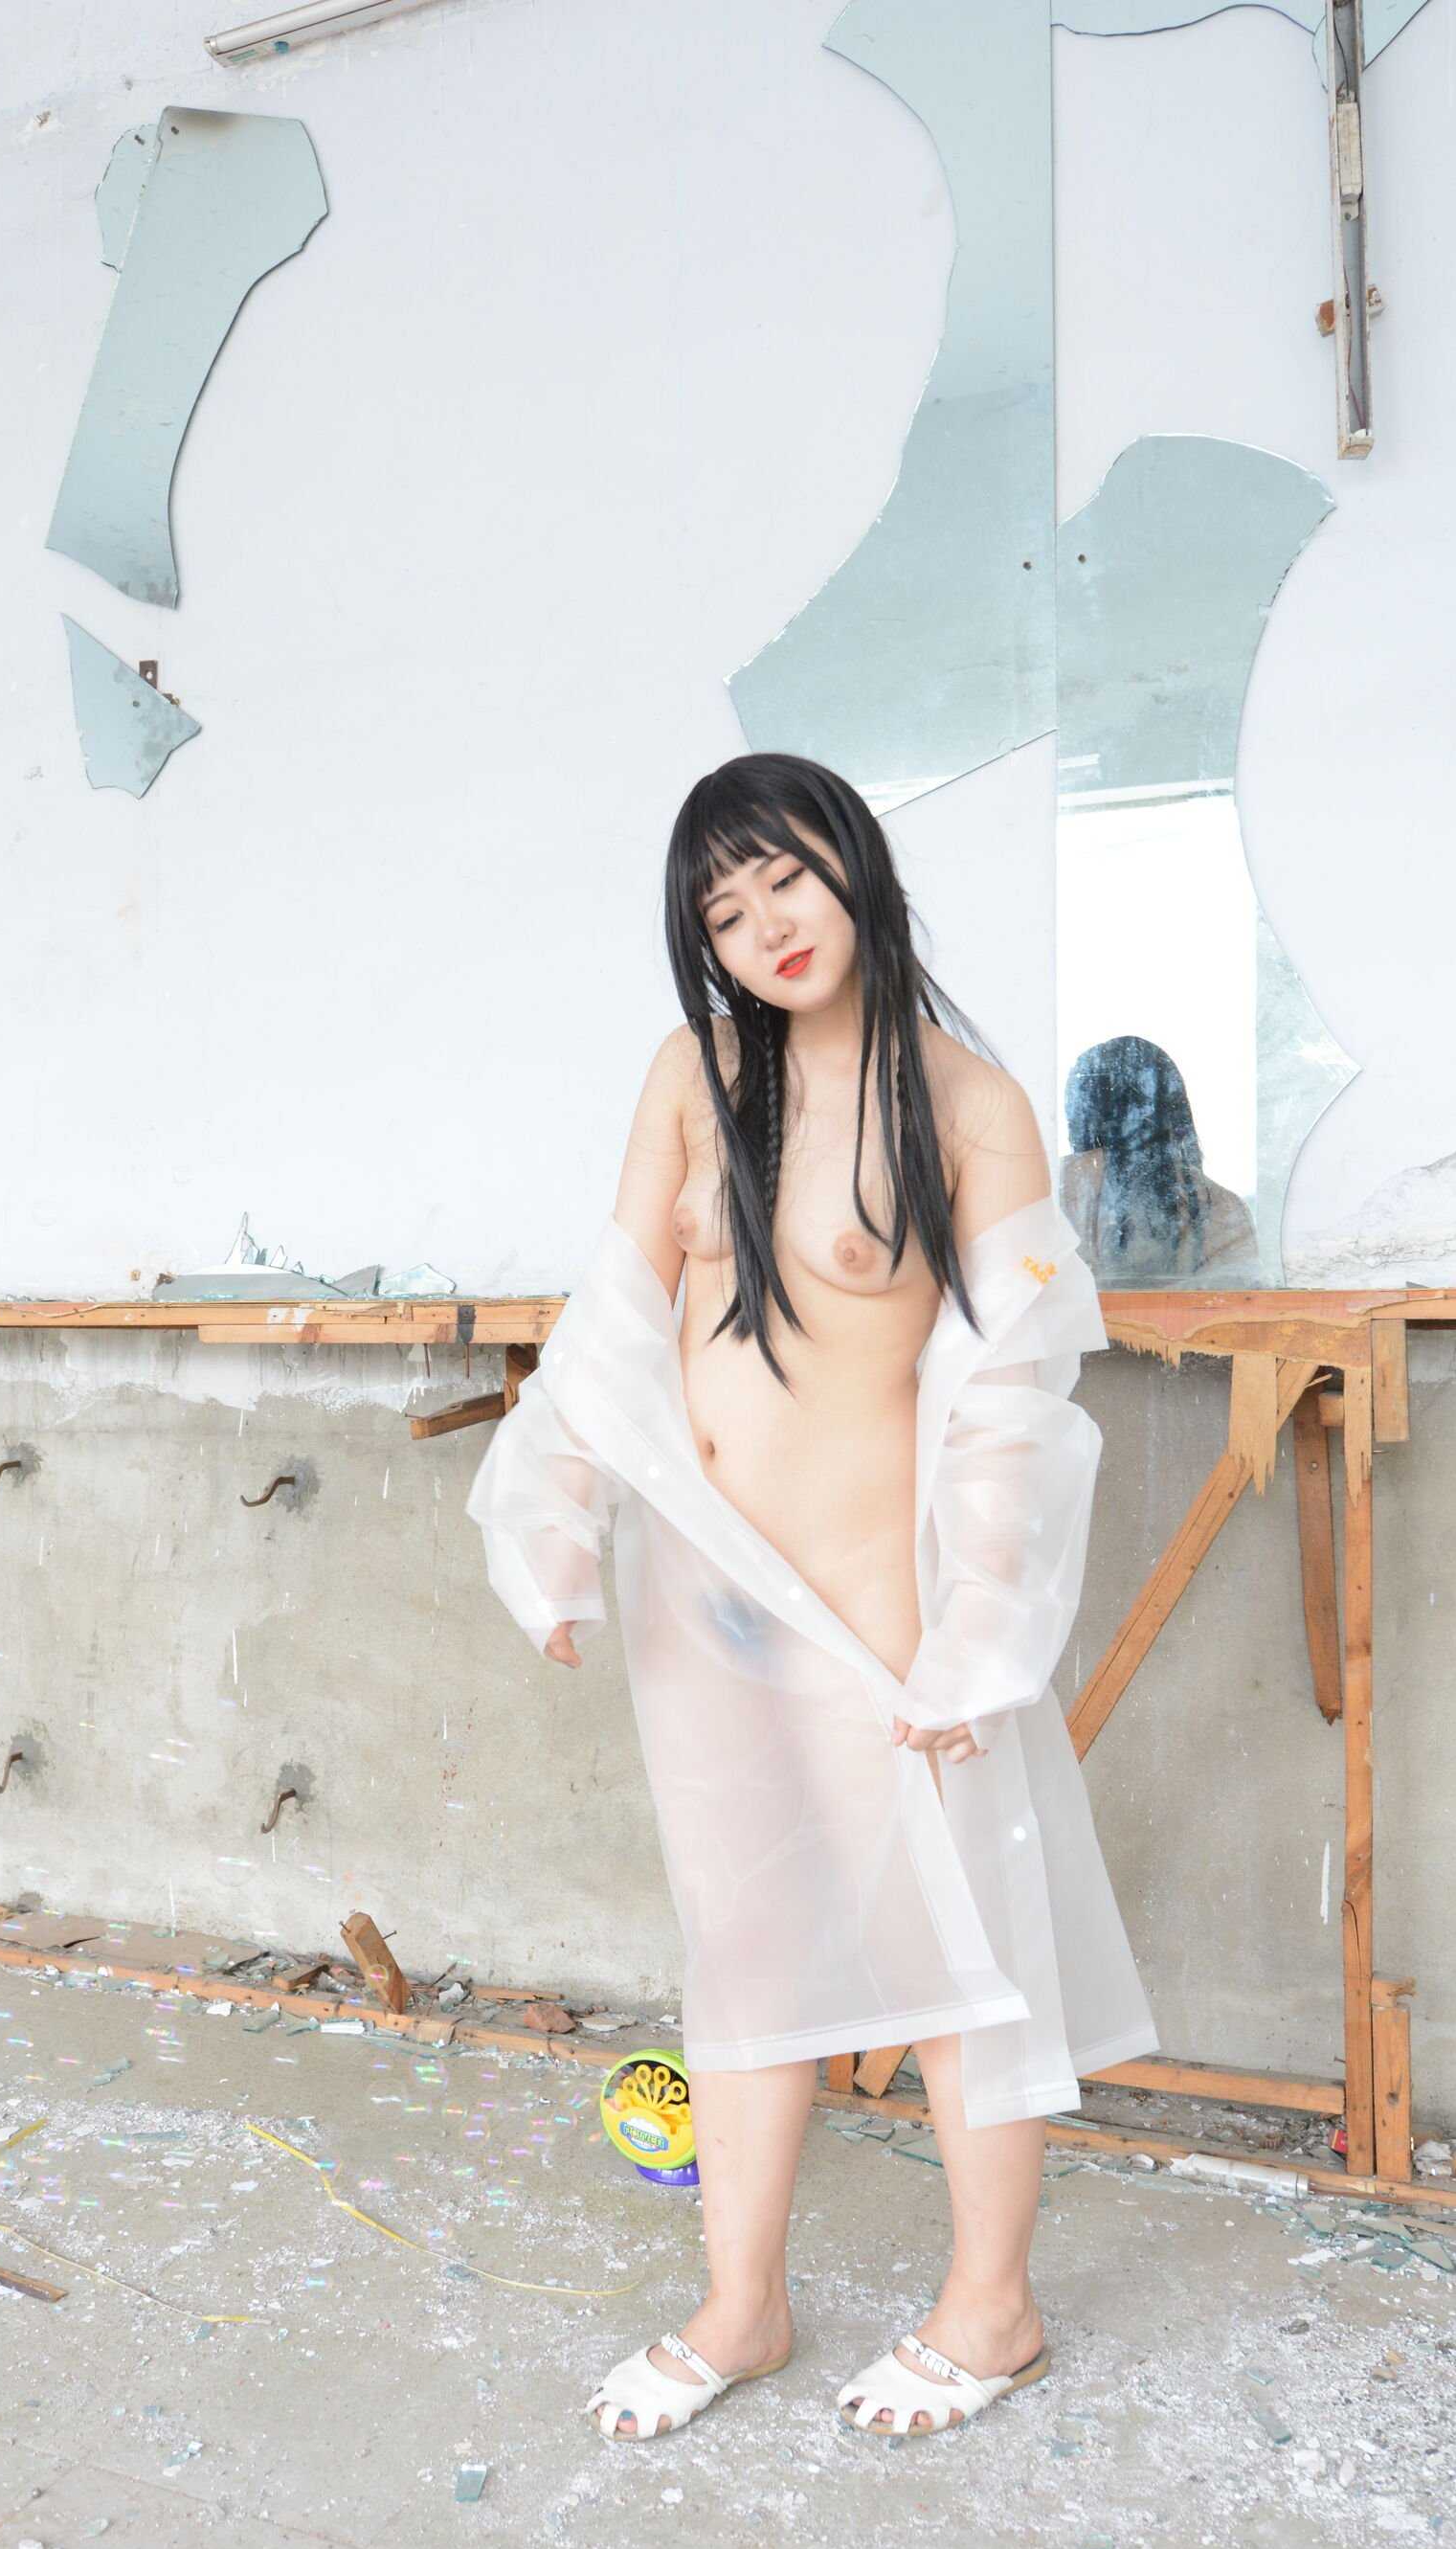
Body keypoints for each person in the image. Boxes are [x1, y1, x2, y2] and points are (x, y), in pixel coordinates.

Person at [465, 751, 1157, 2442]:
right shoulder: (695, 1075)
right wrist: (552, 1518)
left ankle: (992, 2310)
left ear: (852, 862)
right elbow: (614, 1319)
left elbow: (1014, 1395)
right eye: (724, 908)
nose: (765, 924)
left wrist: (980, 1634)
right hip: (698, 1601)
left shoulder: (969, 1106)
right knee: (745, 1949)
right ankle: (744, 2304)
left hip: (876, 1615)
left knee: (952, 1959)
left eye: (785, 876)